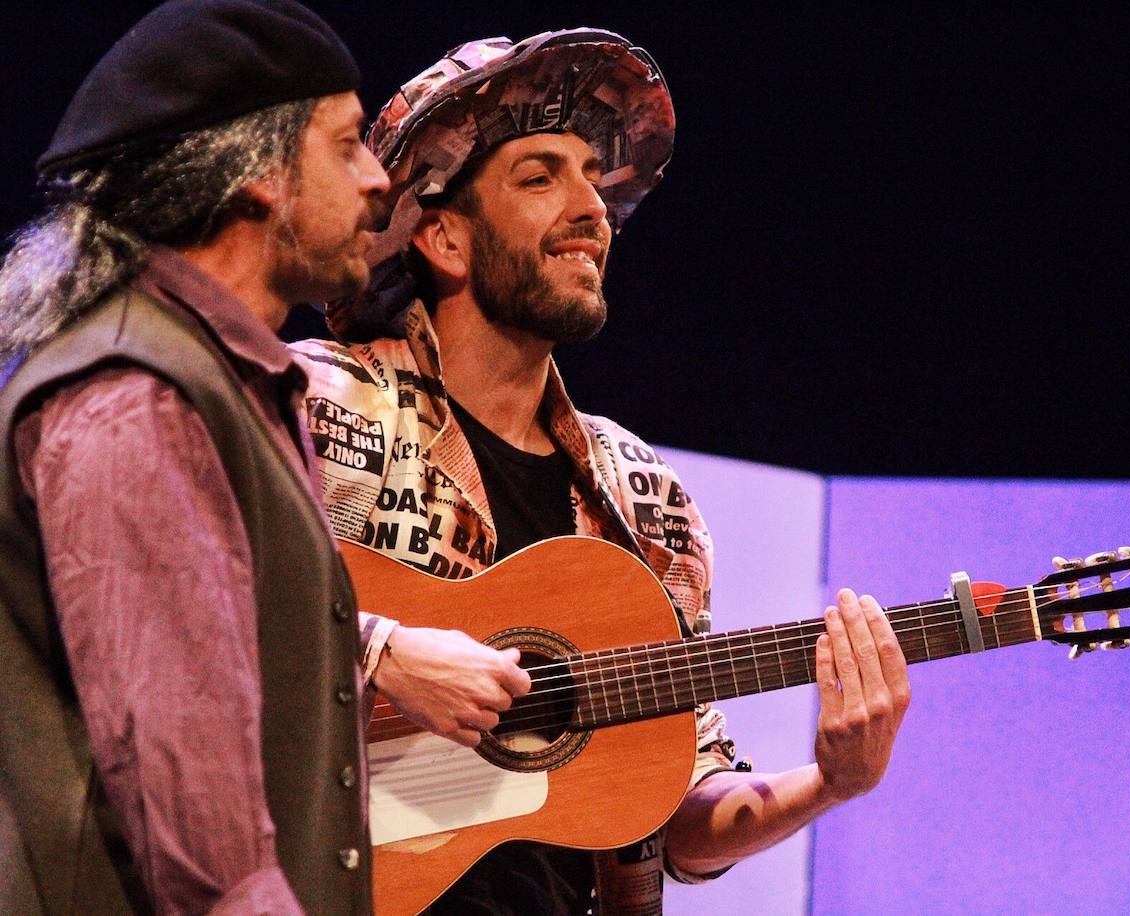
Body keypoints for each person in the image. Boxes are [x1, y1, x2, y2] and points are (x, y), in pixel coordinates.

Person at [293, 30, 911, 914]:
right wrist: (379, 651)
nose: (593, 207)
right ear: (443, 238)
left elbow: (676, 816)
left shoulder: (644, 496)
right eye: (541, 176)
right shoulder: (315, 403)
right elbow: (181, 609)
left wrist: (830, 782)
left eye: (593, 175)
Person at [0, 1, 390, 912]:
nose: (377, 179)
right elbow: (195, 807)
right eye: (345, 145)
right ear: (261, 175)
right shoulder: (136, 393)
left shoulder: (224, 377)